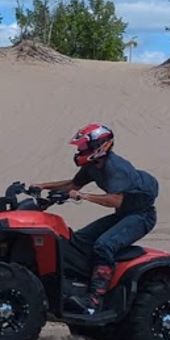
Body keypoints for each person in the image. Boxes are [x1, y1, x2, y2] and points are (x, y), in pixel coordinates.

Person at [33, 123, 159, 314]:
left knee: (104, 245)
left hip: (140, 216)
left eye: (83, 147)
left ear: (101, 146)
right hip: (124, 214)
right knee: (79, 240)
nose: (80, 150)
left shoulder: (116, 168)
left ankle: (94, 300)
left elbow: (116, 201)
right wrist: (41, 187)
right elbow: (71, 184)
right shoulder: (92, 166)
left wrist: (84, 196)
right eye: (80, 147)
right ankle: (78, 285)